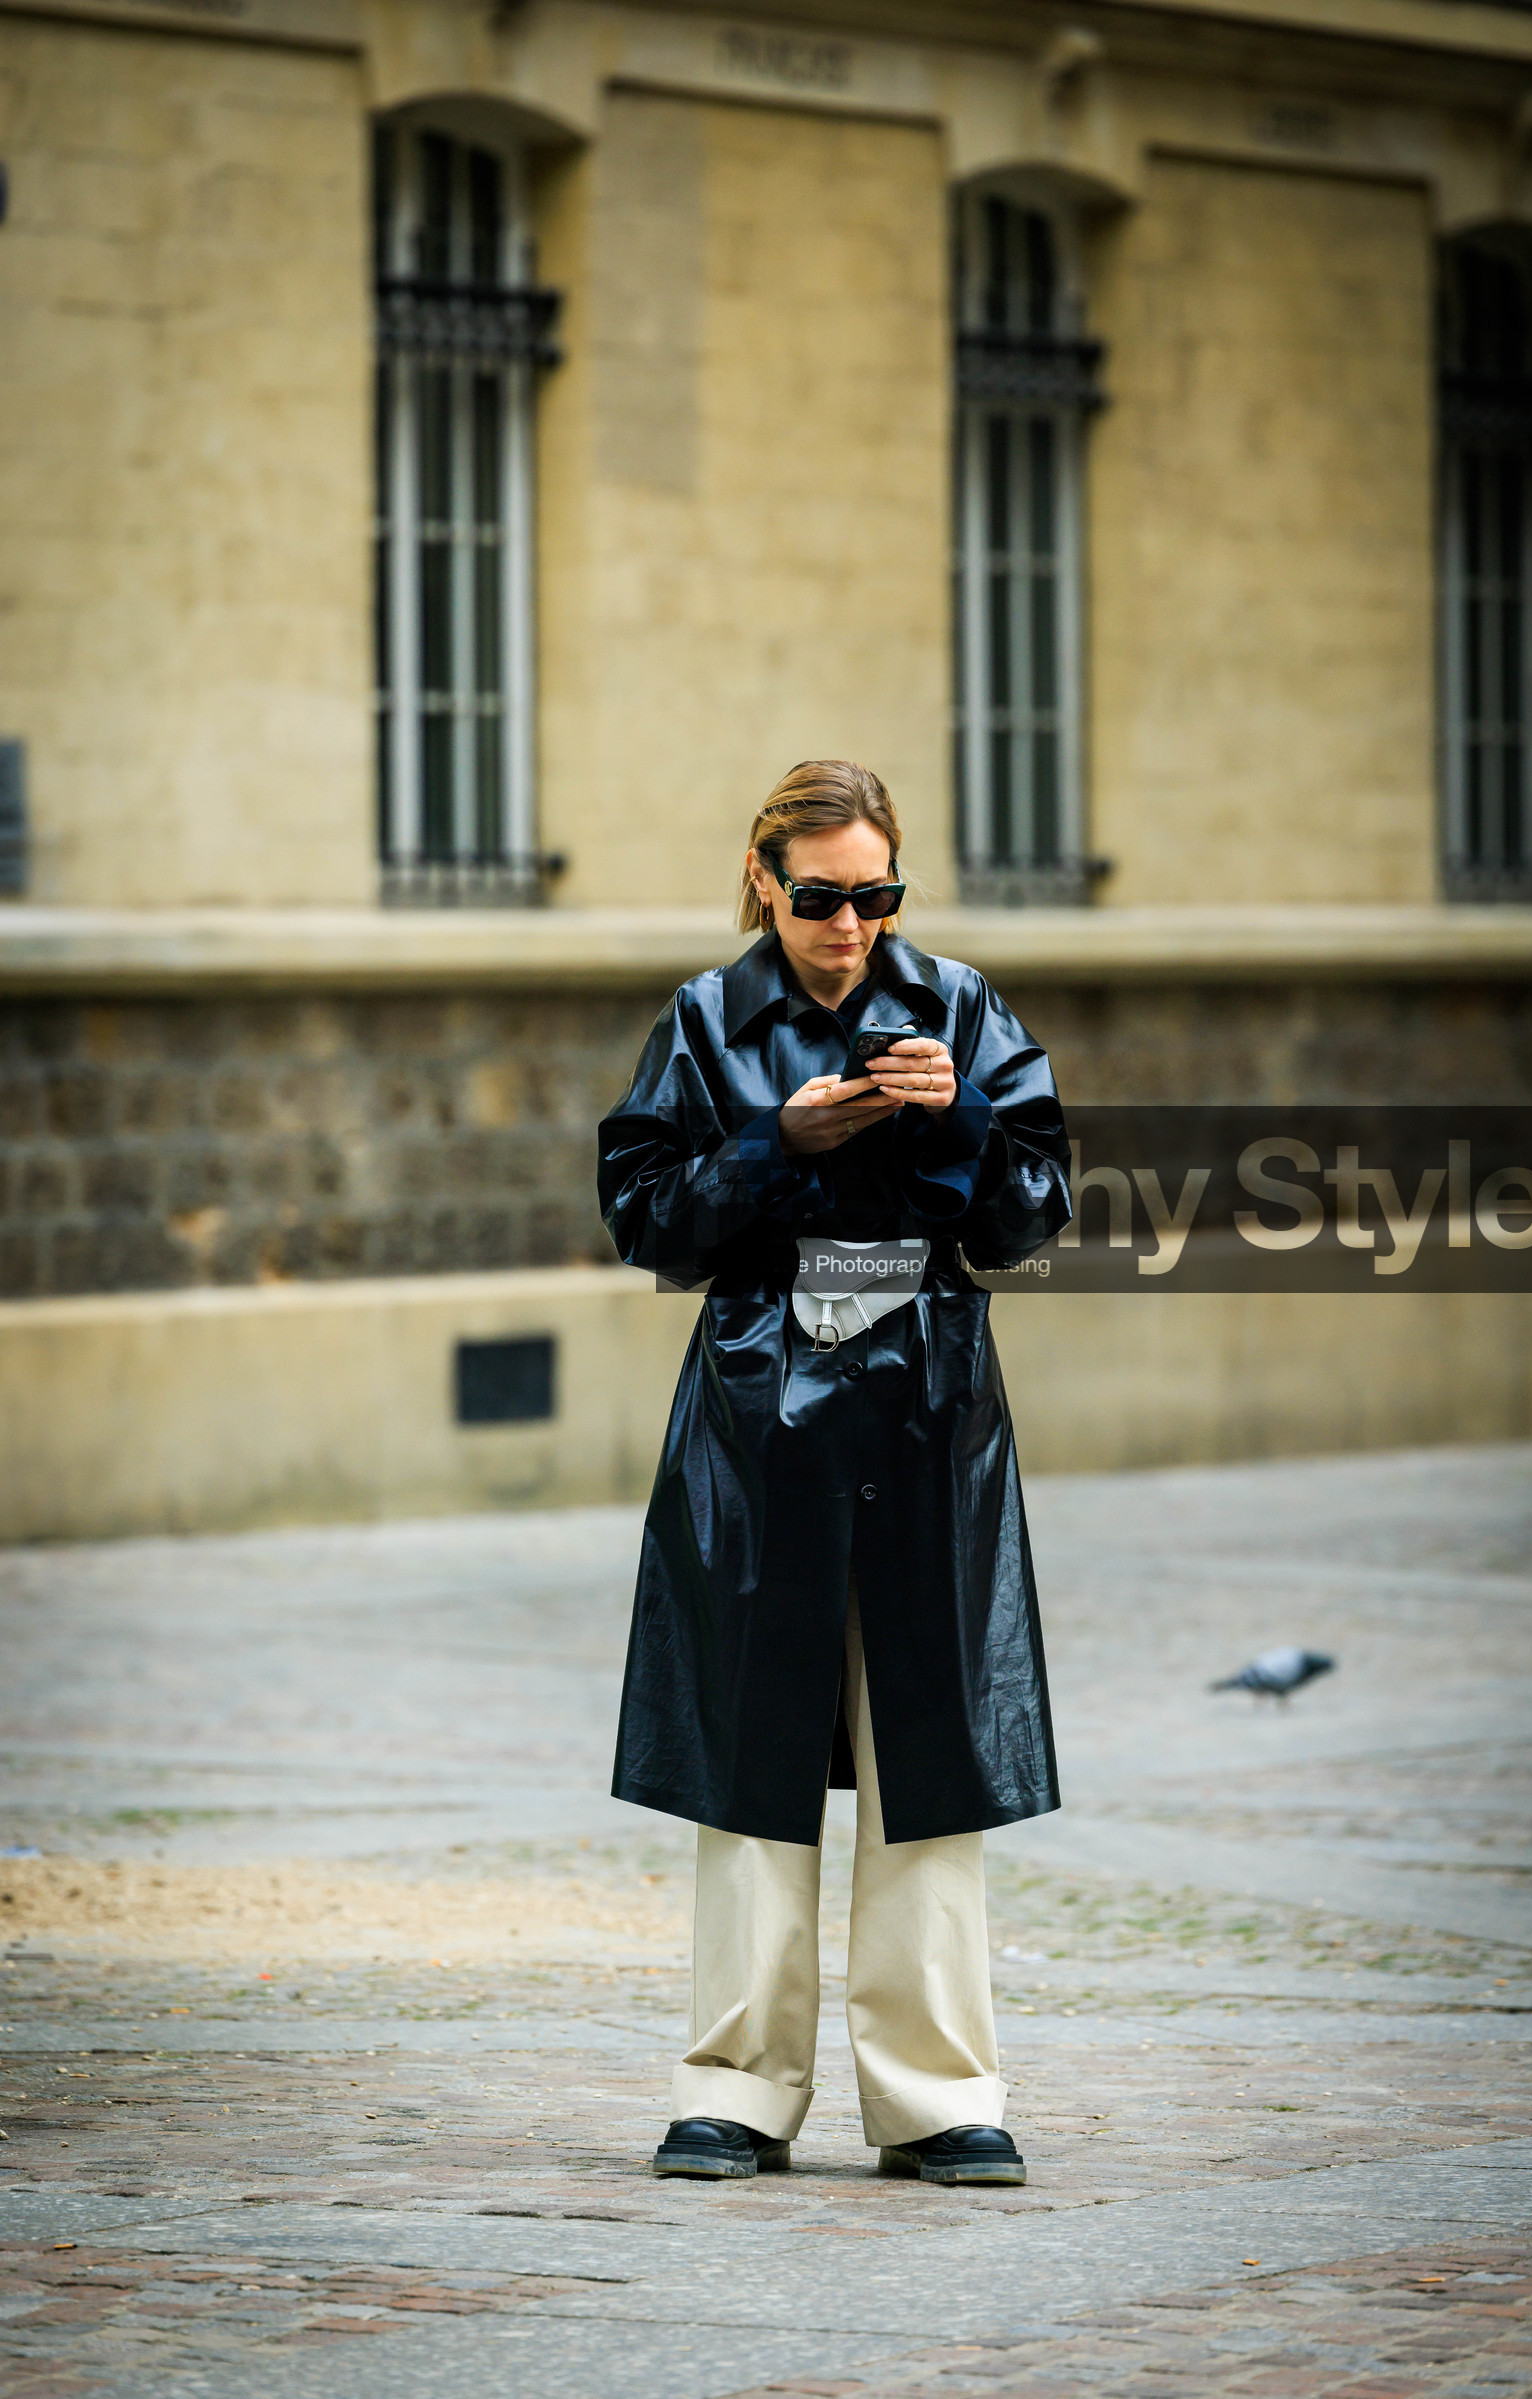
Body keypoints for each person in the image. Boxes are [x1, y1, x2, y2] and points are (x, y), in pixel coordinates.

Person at [596, 759, 1071, 2187]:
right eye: (821, 898)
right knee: (756, 1747)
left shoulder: (964, 1012)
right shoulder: (703, 1020)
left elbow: (1035, 1215)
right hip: (760, 1419)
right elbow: (644, 1219)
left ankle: (939, 2098)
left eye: (877, 897)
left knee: (931, 1746)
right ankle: (736, 2088)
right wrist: (772, 1142)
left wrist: (964, 1123)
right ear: (765, 882)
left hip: (925, 1413)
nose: (850, 924)